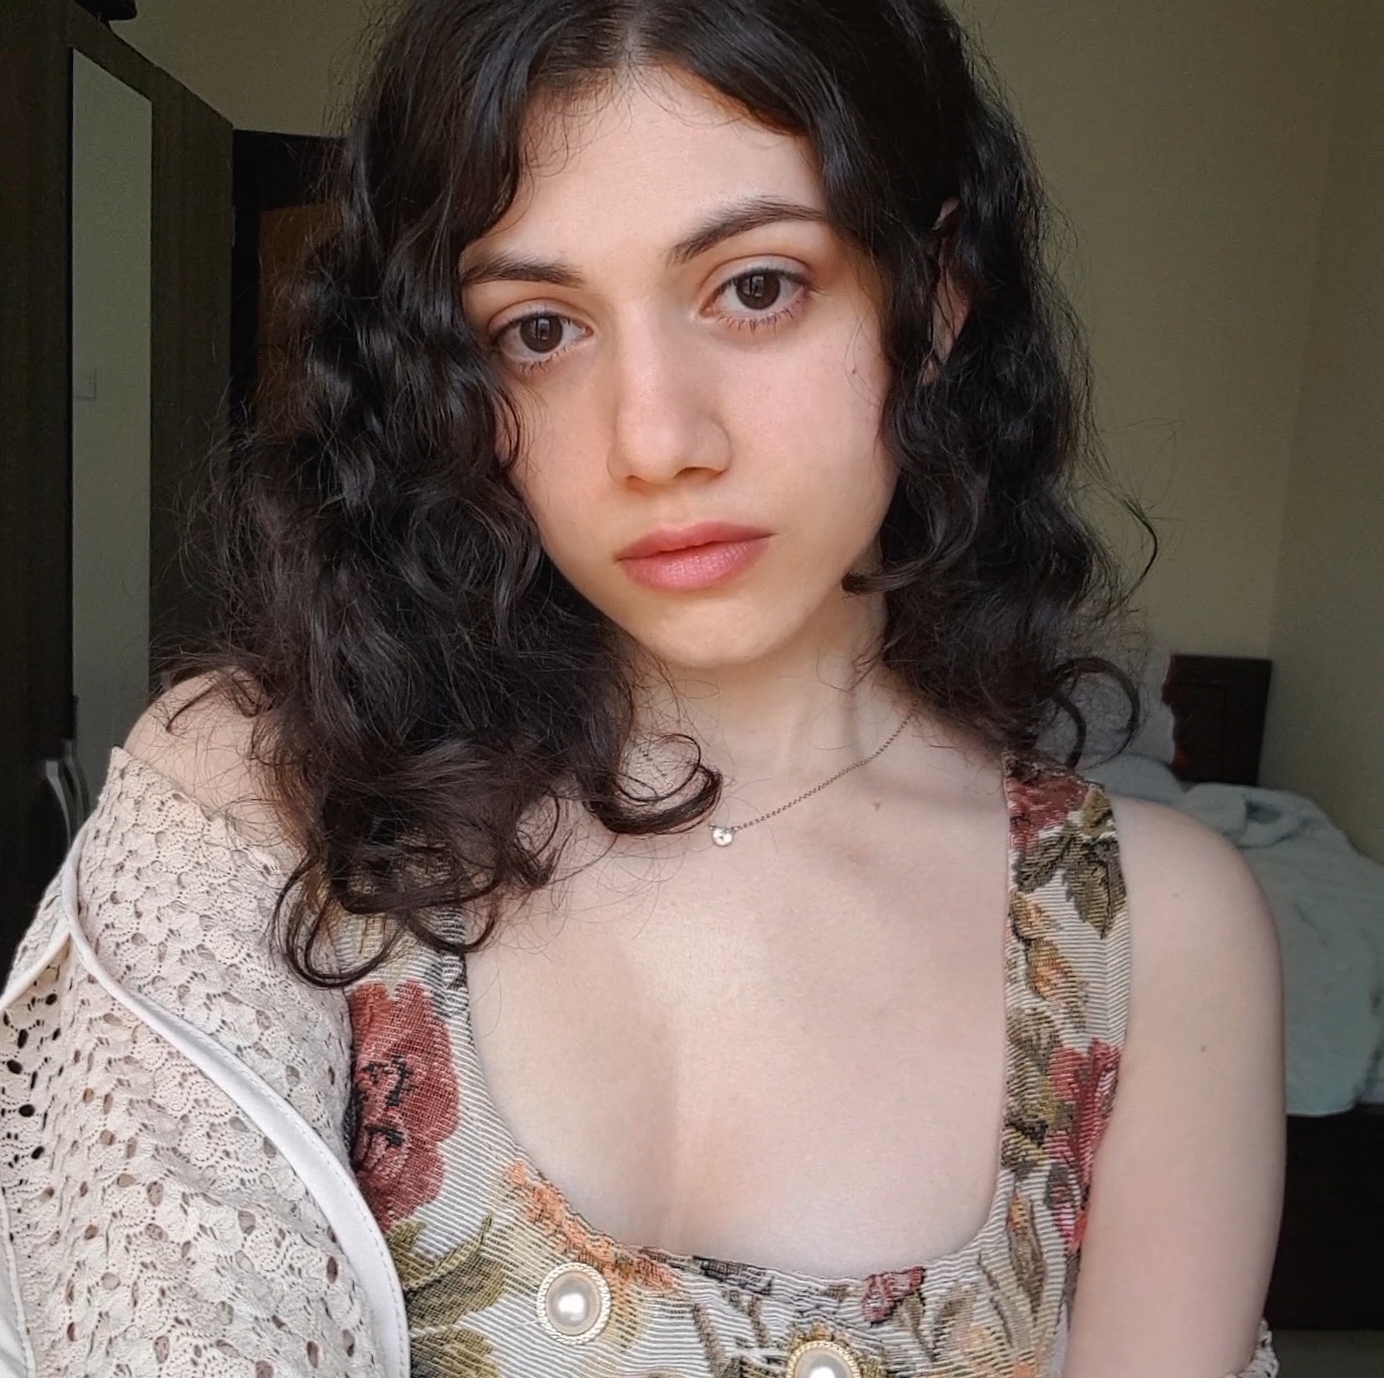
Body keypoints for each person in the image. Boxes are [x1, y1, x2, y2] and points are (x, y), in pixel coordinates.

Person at [0, 1, 1284, 1374]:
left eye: (757, 287)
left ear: (938, 296)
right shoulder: (264, 796)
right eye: (541, 328)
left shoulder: (1144, 938)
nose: (658, 439)